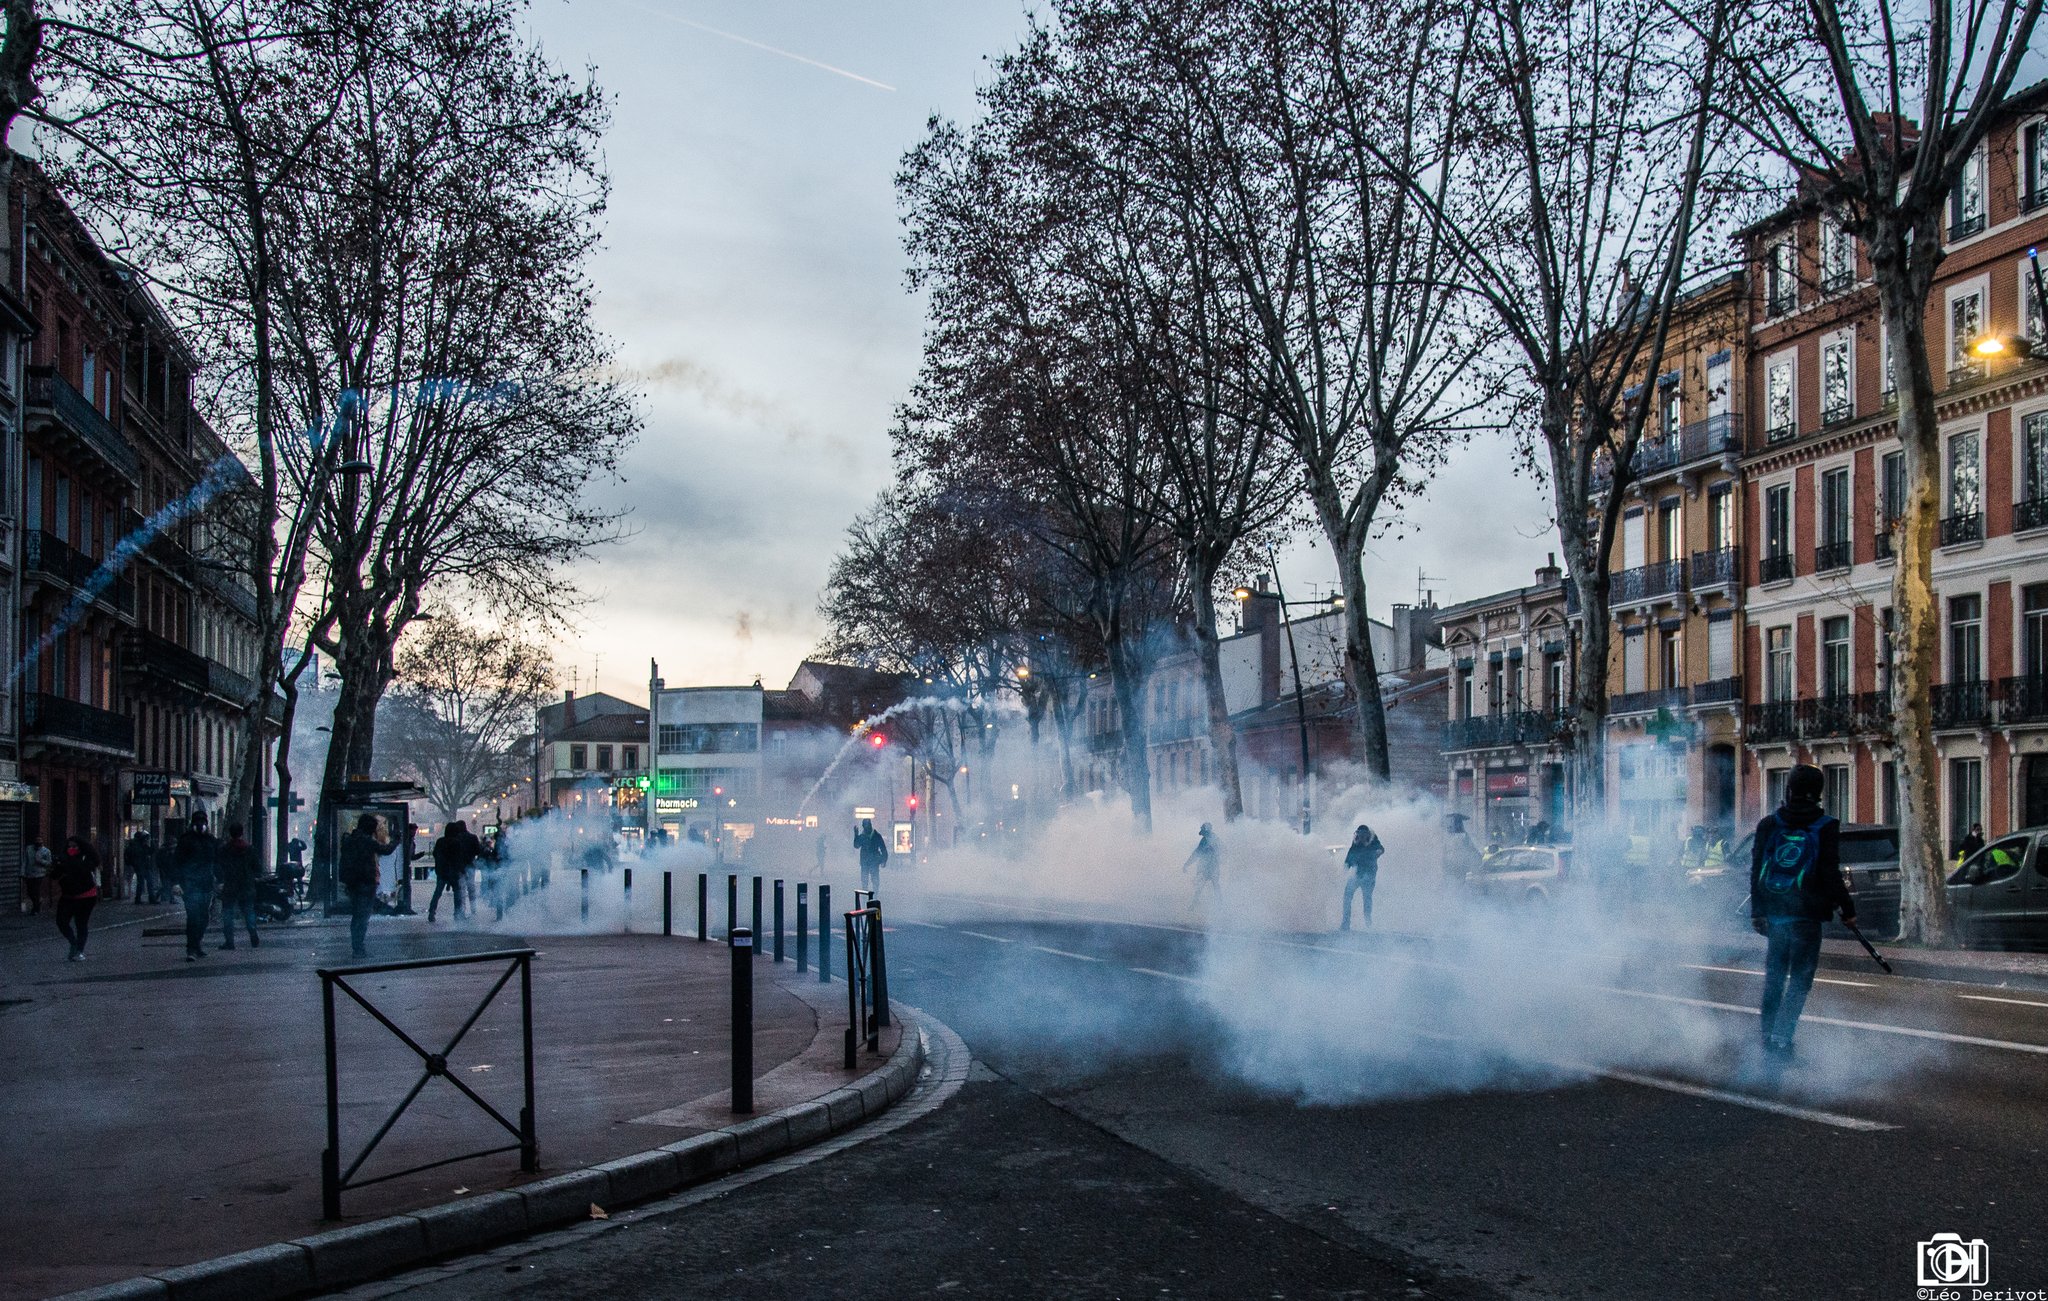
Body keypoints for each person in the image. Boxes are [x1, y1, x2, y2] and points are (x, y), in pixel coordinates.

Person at [1750, 764, 1856, 1060]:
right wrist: (1847, 909)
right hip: (1808, 918)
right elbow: (1829, 874)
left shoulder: (1769, 824)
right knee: (1799, 980)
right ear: (1819, 792)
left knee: (1774, 977)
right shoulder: (1825, 826)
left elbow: (1756, 869)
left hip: (1775, 915)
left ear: (1789, 789)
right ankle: (1783, 1039)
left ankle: (1766, 1035)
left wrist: (1757, 911)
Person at [339, 813, 400, 959]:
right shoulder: (366, 841)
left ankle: (357, 946)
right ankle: (359, 948)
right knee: (363, 916)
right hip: (366, 881)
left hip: (352, 882)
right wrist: (396, 840)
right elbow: (385, 850)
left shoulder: (349, 840)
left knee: (357, 916)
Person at [173, 812, 222, 961]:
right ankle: (192, 948)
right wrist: (176, 882)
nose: (201, 825)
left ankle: (196, 944)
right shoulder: (186, 840)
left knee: (204, 917)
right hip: (190, 884)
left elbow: (217, 861)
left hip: (205, 883)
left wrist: (220, 880)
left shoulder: (211, 840)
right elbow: (177, 861)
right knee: (193, 917)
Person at [54, 835, 100, 961]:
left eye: (74, 847)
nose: (71, 849)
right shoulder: (64, 858)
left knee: (81, 923)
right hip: (68, 895)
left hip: (86, 896)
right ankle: (73, 942)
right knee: (61, 921)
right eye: (69, 847)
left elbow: (83, 870)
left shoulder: (87, 858)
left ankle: (79, 950)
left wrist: (67, 862)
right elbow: (55, 875)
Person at [429, 820, 485, 923]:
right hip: (454, 872)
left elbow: (435, 854)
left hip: (442, 871)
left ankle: (432, 912)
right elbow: (458, 858)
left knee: (437, 892)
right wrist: (462, 869)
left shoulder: (440, 841)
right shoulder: (457, 842)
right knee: (459, 893)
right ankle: (459, 914)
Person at [217, 823, 260, 950]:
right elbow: (257, 867)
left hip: (230, 885)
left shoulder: (225, 849)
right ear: (242, 833)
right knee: (248, 911)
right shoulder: (249, 849)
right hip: (246, 884)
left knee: (228, 913)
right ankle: (252, 931)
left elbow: (219, 865)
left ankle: (229, 941)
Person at [1341, 824, 1384, 930]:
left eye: (1363, 835)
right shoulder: (1356, 842)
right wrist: (1345, 866)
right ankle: (1345, 923)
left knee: (1367, 900)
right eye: (1359, 835)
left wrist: (1377, 852)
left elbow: (1381, 849)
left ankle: (1368, 924)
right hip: (1357, 874)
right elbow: (1350, 855)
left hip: (1369, 875)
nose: (1361, 837)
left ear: (1367, 835)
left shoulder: (1373, 841)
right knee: (1347, 897)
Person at [1183, 822, 1220, 903]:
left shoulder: (1211, 839)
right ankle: (1195, 904)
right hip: (1209, 867)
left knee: (1206, 885)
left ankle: (1219, 904)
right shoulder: (1210, 839)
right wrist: (1187, 864)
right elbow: (1197, 853)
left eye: (1203, 829)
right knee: (1206, 886)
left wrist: (1186, 864)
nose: (1201, 831)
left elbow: (1196, 853)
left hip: (1210, 867)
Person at [855, 818, 888, 894]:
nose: (866, 828)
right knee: (865, 880)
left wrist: (884, 860)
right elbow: (856, 845)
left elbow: (883, 849)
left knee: (875, 880)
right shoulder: (863, 836)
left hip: (874, 861)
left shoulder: (876, 836)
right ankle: (865, 894)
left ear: (870, 825)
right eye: (864, 826)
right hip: (865, 862)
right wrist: (856, 835)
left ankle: (875, 895)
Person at [128, 829, 160, 905]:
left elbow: (151, 851)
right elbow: (148, 851)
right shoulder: (137, 846)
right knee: (145, 883)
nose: (146, 840)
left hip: (143, 866)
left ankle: (142, 899)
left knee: (145, 883)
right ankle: (146, 899)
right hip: (141, 866)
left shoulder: (140, 845)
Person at [19, 836, 49, 915]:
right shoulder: (29, 849)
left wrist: (41, 861)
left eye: (40, 840)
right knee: (30, 891)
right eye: (37, 840)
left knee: (36, 890)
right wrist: (22, 872)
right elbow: (25, 861)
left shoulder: (46, 851)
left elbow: (49, 863)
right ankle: (38, 902)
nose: (38, 841)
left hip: (40, 873)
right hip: (29, 873)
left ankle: (35, 909)